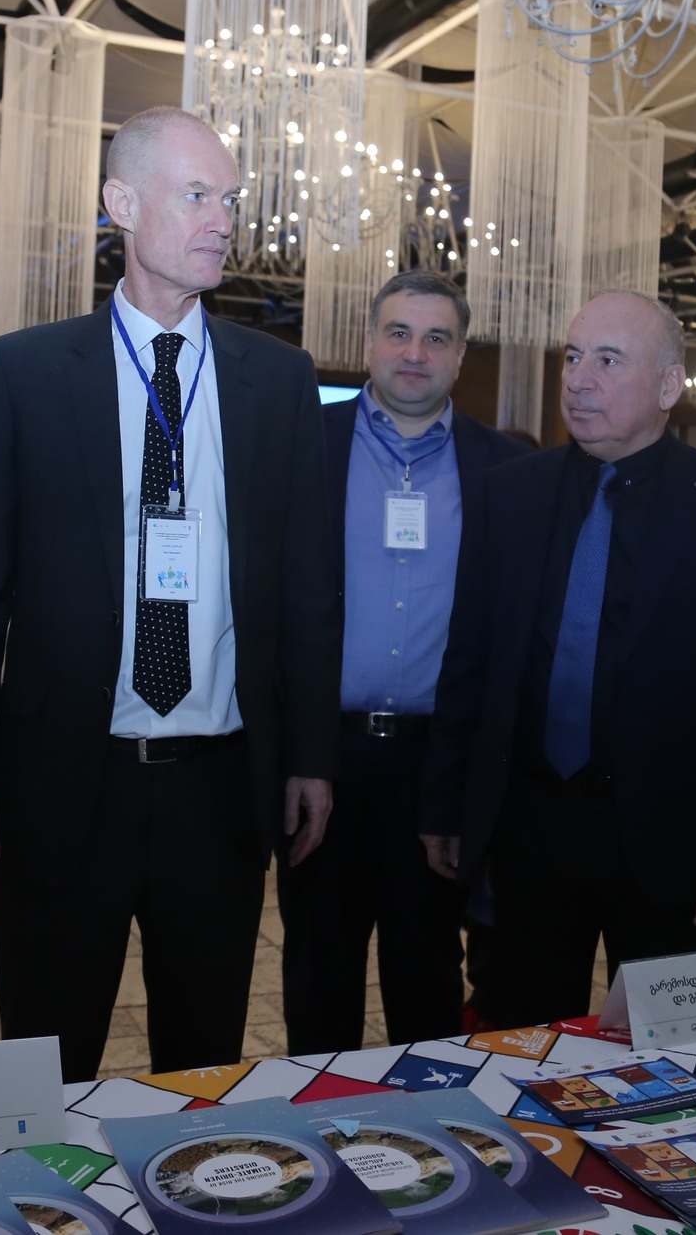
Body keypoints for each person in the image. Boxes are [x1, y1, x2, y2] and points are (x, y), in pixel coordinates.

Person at [0, 105, 340, 1084]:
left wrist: (311, 755)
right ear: (121, 203)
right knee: (45, 1058)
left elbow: (307, 589)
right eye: (197, 195)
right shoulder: (25, 372)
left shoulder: (278, 380)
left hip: (220, 787)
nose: (223, 220)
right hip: (64, 780)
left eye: (230, 199)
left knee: (201, 1064)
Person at [420, 290, 696, 1029]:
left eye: (609, 360)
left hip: (672, 841)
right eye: (572, 356)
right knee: (521, 1041)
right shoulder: (509, 494)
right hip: (529, 827)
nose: (578, 379)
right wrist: (446, 803)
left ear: (668, 385)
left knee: (670, 1060)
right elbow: (469, 662)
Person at [276, 269, 530, 1056]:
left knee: (427, 985)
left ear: (460, 356)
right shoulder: (302, 446)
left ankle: (428, 1131)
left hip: (439, 766)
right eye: (399, 333)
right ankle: (316, 1122)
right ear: (368, 344)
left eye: (436, 338)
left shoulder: (504, 470)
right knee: (318, 979)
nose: (415, 353)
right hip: (322, 761)